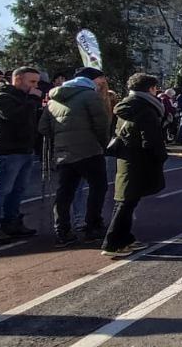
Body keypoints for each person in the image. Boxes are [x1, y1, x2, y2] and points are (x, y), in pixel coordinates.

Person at [38, 67, 111, 247]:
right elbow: (101, 125)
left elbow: (43, 128)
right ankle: (92, 226)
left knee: (65, 192)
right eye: (100, 80)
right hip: (89, 150)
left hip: (63, 152)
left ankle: (62, 230)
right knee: (98, 187)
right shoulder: (90, 96)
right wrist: (105, 145)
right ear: (91, 80)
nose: (101, 83)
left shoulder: (54, 98)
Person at [102, 73, 169, 257]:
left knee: (125, 200)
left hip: (127, 158)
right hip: (138, 160)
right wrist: (160, 156)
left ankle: (125, 238)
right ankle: (113, 242)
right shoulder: (145, 110)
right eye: (155, 88)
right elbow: (151, 139)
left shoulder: (127, 106)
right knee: (126, 202)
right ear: (150, 89)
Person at [0, 67, 42, 243]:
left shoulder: (22, 97)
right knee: (1, 189)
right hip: (6, 150)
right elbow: (16, 117)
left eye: (37, 82)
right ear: (18, 80)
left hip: (24, 149)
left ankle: (12, 221)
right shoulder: (0, 97)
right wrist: (32, 99)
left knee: (17, 189)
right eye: (32, 82)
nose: (35, 86)